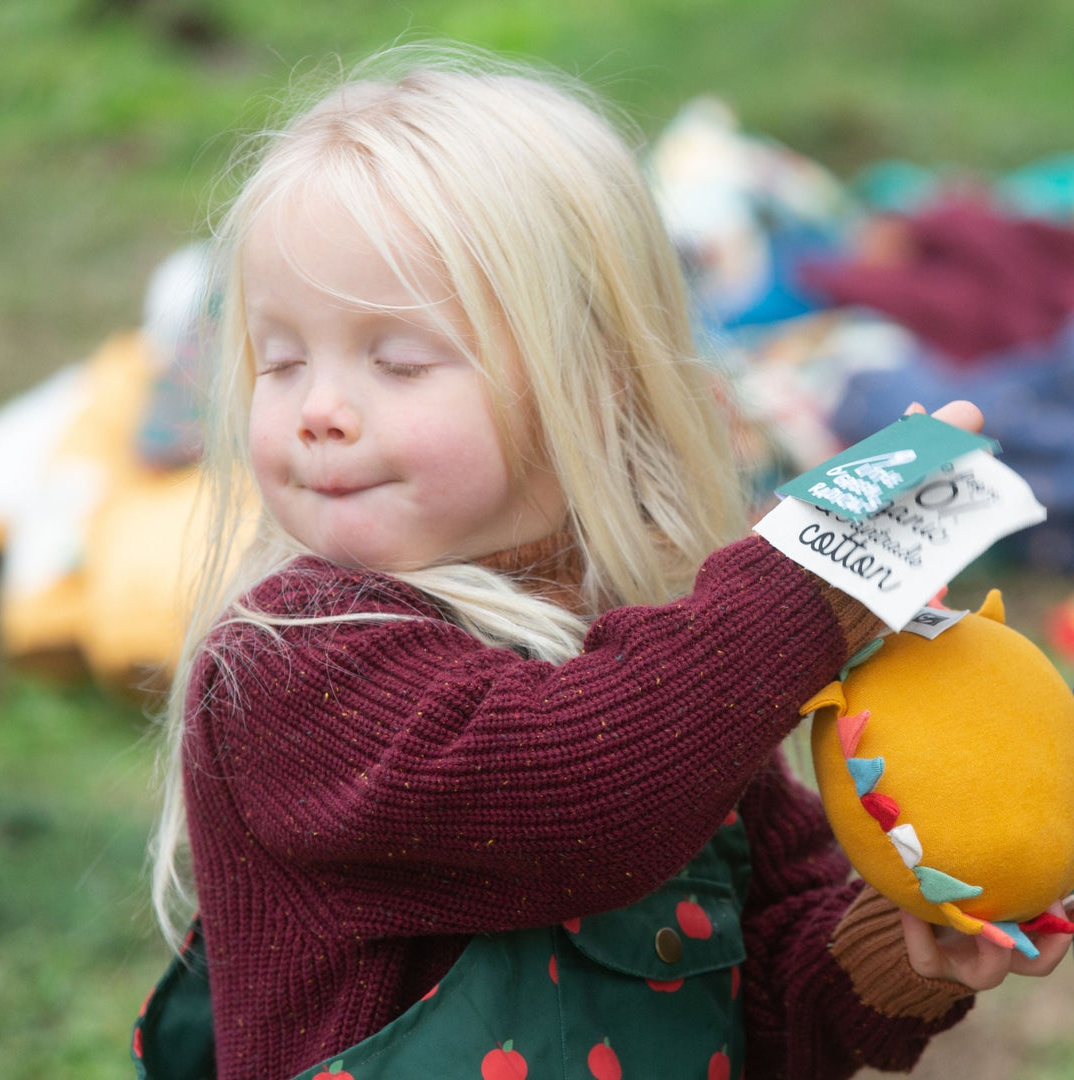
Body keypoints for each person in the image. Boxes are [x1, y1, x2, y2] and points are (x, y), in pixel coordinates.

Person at [138, 44, 1071, 1080]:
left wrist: (901, 945)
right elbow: (581, 792)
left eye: (397, 362)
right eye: (281, 361)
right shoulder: (293, 668)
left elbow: (762, 1009)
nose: (319, 410)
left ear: (590, 383)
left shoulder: (662, 658)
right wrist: (825, 569)